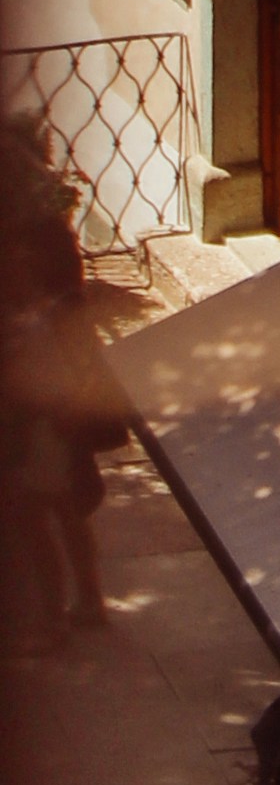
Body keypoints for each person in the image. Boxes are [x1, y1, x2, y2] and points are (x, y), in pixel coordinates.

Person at [0, 116, 127, 645]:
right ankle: (87, 600)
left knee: (35, 512)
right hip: (49, 406)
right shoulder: (49, 248)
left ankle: (53, 617)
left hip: (41, 411)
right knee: (62, 508)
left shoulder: (38, 293)